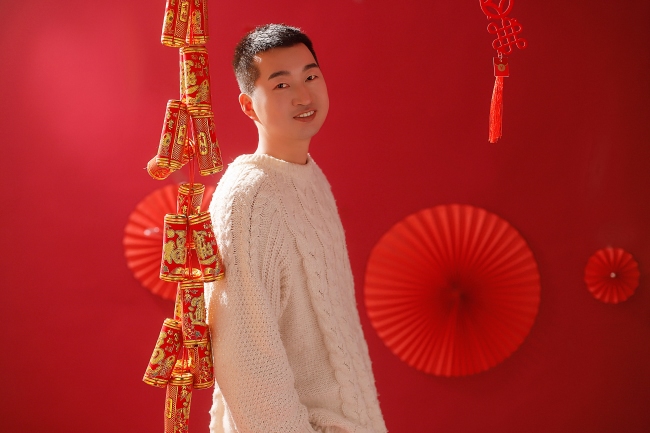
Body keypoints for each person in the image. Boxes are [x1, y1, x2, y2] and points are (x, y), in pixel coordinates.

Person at [204, 24, 388, 433]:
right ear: (249, 106)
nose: (304, 96)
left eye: (311, 76)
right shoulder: (249, 197)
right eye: (281, 84)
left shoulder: (310, 177)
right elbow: (247, 358)